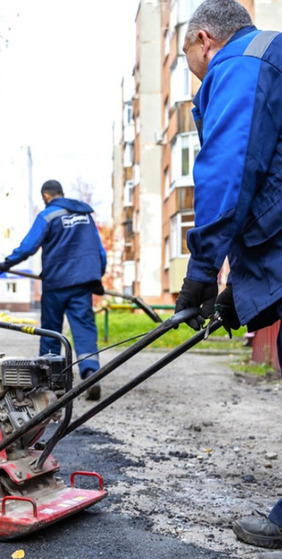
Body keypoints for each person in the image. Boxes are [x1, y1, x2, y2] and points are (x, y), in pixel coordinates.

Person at [173, 0, 282, 552]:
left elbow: (231, 170)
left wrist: (201, 270)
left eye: (185, 54)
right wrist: (238, 288)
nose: (190, 66)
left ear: (203, 37)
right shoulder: (270, 58)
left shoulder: (242, 63)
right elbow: (270, 185)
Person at [0, 179, 107, 400]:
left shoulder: (48, 215)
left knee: (51, 331)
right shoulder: (86, 216)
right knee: (84, 329)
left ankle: (54, 382)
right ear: (61, 193)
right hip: (82, 284)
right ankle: (91, 373)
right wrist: (96, 278)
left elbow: (28, 247)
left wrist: (6, 264)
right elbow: (100, 252)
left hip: (56, 284)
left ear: (46, 195)